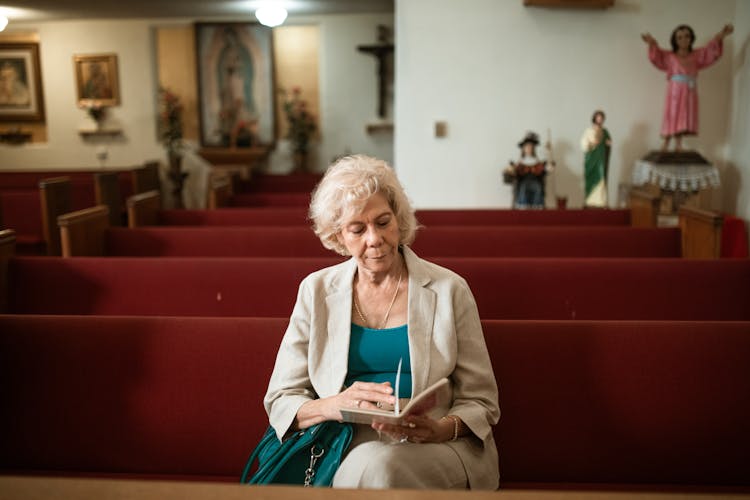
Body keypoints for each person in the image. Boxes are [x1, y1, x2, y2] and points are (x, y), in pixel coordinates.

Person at [263, 154, 500, 489]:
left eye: (383, 222)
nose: (374, 239)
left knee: (382, 468)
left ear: (399, 220)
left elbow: (482, 401)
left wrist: (443, 427)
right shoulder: (315, 291)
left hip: (437, 447)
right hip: (340, 446)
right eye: (357, 229)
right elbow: (281, 398)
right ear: (338, 236)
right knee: (373, 467)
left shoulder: (449, 290)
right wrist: (336, 405)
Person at [642, 23, 733, 151]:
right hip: (675, 91)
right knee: (672, 114)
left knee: (684, 115)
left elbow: (710, 51)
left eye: (686, 36)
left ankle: (678, 145)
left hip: (690, 90)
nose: (683, 40)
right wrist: (652, 43)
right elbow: (658, 57)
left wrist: (722, 35)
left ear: (691, 38)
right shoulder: (670, 56)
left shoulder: (696, 55)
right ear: (675, 40)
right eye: (679, 37)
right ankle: (666, 143)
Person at [503, 131, 554, 209]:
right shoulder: (520, 164)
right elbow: (512, 173)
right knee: (524, 187)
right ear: (523, 148)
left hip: (537, 189)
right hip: (523, 189)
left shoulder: (538, 163)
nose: (529, 148)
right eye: (527, 146)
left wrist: (549, 152)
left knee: (536, 187)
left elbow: (549, 168)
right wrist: (510, 171)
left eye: (531, 146)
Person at [580, 110, 612, 208]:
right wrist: (592, 144)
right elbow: (584, 145)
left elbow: (608, 142)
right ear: (594, 118)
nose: (600, 119)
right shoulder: (588, 131)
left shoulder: (605, 132)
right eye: (598, 117)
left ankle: (600, 202)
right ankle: (589, 201)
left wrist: (608, 144)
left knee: (601, 178)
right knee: (590, 179)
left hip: (600, 160)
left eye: (601, 118)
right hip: (591, 159)